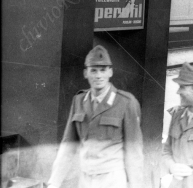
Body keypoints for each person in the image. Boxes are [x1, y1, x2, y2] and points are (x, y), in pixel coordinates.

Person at [48, 45, 144, 188]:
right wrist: (53, 183)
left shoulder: (126, 102)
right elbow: (67, 147)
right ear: (85, 73)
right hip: (85, 178)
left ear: (110, 72)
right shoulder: (78, 101)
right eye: (93, 70)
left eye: (103, 70)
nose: (99, 76)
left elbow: (134, 152)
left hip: (113, 180)